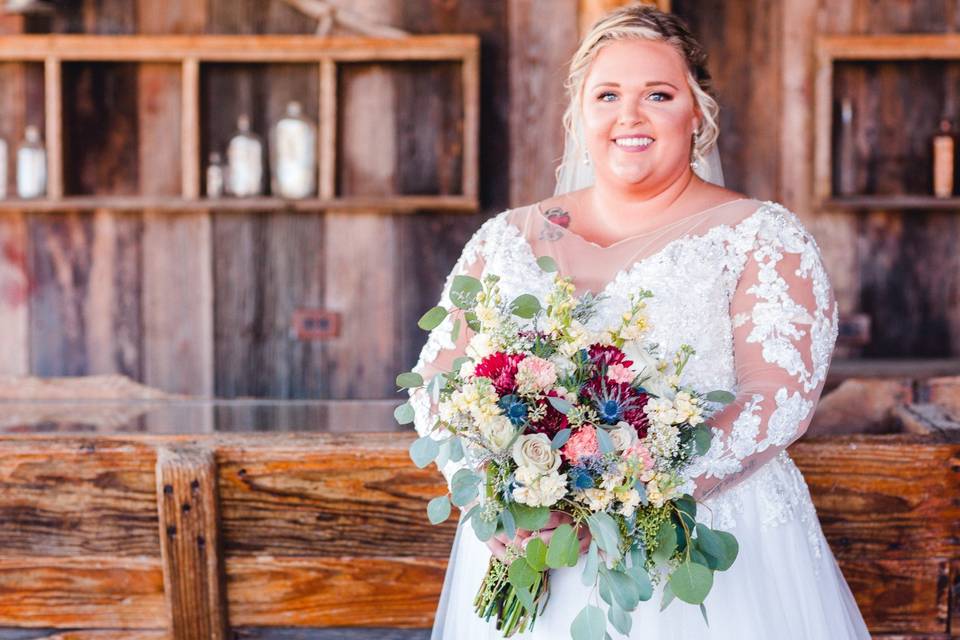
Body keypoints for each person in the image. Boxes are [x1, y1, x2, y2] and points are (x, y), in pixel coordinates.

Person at [408, 5, 871, 638]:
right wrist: (494, 499)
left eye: (658, 94)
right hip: (533, 552)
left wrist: (627, 498)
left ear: (697, 114)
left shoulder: (760, 236)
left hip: (698, 549)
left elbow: (778, 398)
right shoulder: (505, 239)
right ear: (579, 115)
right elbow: (437, 386)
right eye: (608, 95)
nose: (630, 116)